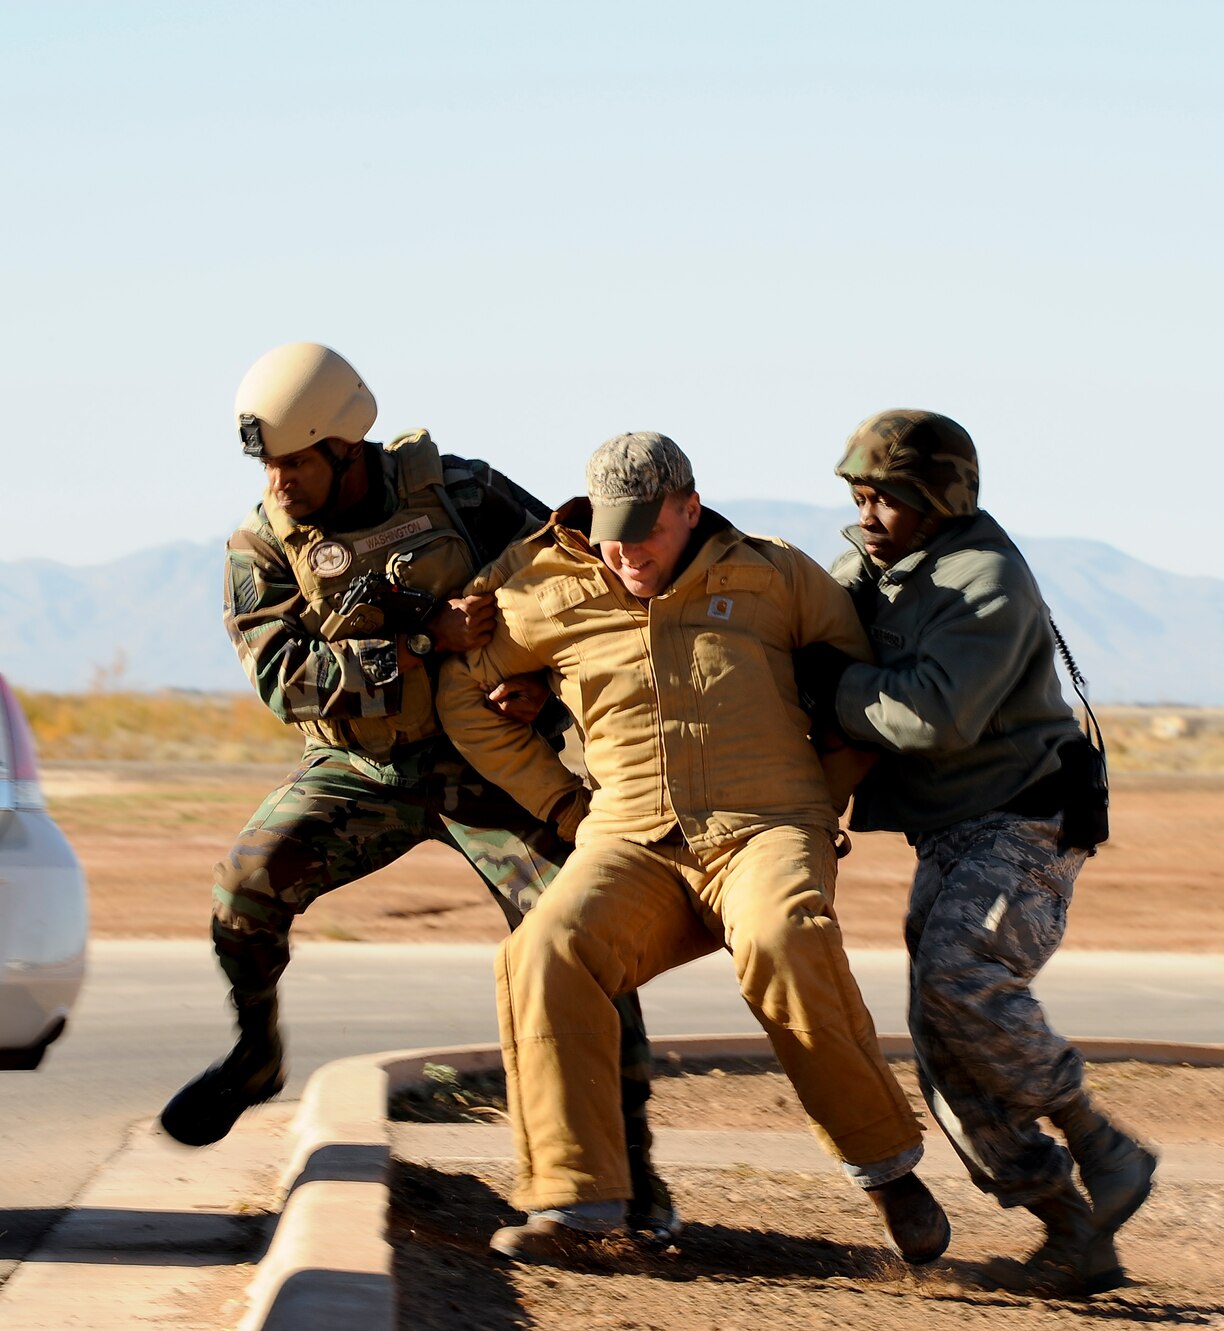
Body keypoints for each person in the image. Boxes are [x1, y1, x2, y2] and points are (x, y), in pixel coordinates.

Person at [160, 343, 678, 1243]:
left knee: (581, 936)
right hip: (364, 771)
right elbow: (286, 679)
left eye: (295, 462)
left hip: (496, 768)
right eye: (269, 466)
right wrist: (422, 639)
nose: (279, 481)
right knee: (244, 887)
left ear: (347, 448)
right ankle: (255, 1054)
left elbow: (577, 583)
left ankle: (630, 1170)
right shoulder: (261, 548)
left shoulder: (463, 494)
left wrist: (543, 685)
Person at [437, 431, 949, 1266]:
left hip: (766, 829)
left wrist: (822, 794)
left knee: (786, 937)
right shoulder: (540, 586)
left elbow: (862, 674)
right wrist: (562, 803)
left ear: (689, 506)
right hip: (630, 843)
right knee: (544, 950)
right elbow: (459, 687)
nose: (626, 550)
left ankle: (888, 1172)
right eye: (611, 530)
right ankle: (577, 1205)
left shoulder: (773, 573)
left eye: (646, 528)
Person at [804, 409, 1156, 1295]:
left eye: (890, 496)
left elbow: (931, 713)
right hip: (951, 832)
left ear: (942, 498)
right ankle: (1073, 1228)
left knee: (961, 975)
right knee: (943, 1038)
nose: (870, 510)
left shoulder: (986, 580)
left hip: (1025, 821)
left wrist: (830, 686)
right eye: (861, 493)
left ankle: (1097, 1142)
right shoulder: (869, 567)